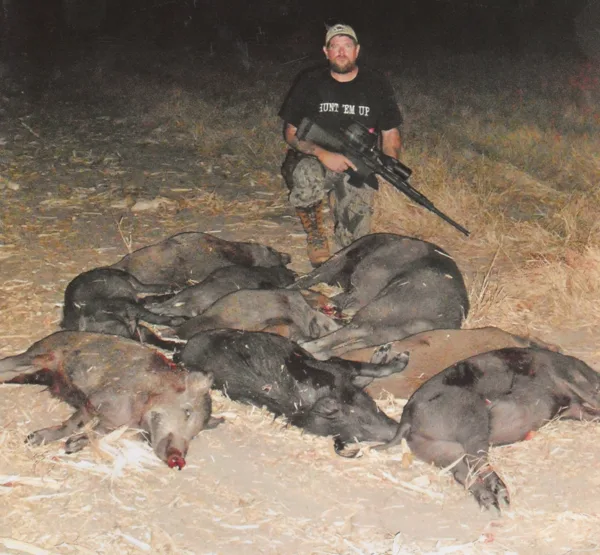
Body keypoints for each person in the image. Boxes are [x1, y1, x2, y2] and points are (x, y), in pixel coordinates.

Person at [278, 23, 404, 267]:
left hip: (355, 163)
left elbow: (390, 134)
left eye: (347, 46)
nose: (341, 51)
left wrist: (389, 165)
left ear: (357, 50)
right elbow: (291, 133)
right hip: (316, 159)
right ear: (326, 52)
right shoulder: (310, 82)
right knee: (305, 173)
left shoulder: (376, 83)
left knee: (355, 243)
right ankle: (315, 235)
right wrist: (321, 153)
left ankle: (344, 235)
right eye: (334, 46)